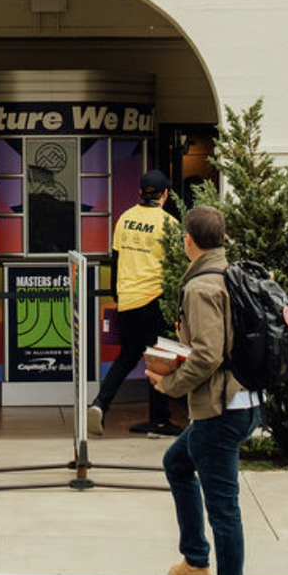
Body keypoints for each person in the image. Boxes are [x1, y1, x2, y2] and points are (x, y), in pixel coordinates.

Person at [155, 203, 259, 575]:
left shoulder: (201, 287)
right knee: (177, 463)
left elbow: (208, 354)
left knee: (224, 509)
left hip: (219, 408)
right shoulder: (231, 275)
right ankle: (196, 560)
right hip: (243, 400)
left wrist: (169, 385)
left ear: (189, 241)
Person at [91, 170, 178, 438]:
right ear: (165, 195)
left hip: (128, 301)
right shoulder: (170, 224)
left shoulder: (124, 219)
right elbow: (175, 269)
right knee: (160, 359)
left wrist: (119, 296)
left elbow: (115, 262)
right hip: (155, 299)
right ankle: (159, 422)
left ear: (140, 192)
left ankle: (100, 404)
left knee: (128, 356)